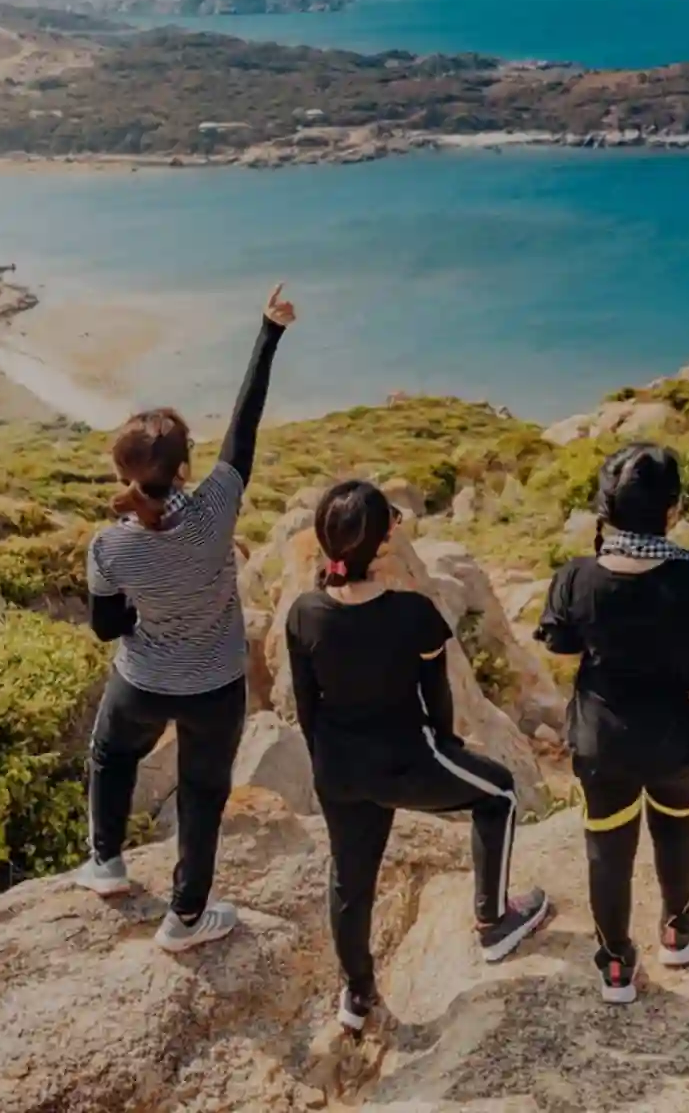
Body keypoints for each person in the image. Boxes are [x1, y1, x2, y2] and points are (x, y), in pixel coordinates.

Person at [70, 283, 297, 954]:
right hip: (216, 686)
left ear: (122, 472)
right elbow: (244, 428)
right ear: (186, 467)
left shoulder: (109, 546)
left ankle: (106, 863)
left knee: (112, 755)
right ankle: (187, 917)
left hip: (142, 680)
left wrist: (149, 614)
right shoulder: (217, 508)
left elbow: (107, 628)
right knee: (202, 794)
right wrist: (269, 331)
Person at [286, 481, 551, 1032]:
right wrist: (447, 746)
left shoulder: (304, 613)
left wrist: (327, 764)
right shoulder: (413, 613)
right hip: (406, 761)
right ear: (382, 543)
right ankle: (495, 921)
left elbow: (307, 705)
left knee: (350, 880)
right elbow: (437, 695)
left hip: (338, 769)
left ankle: (357, 994)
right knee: (500, 792)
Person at [535, 443, 689, 1004]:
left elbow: (561, 645)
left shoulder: (575, 577)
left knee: (607, 847)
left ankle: (616, 965)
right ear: (673, 510)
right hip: (679, 738)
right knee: (675, 826)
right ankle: (677, 930)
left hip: (602, 741)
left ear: (604, 509)